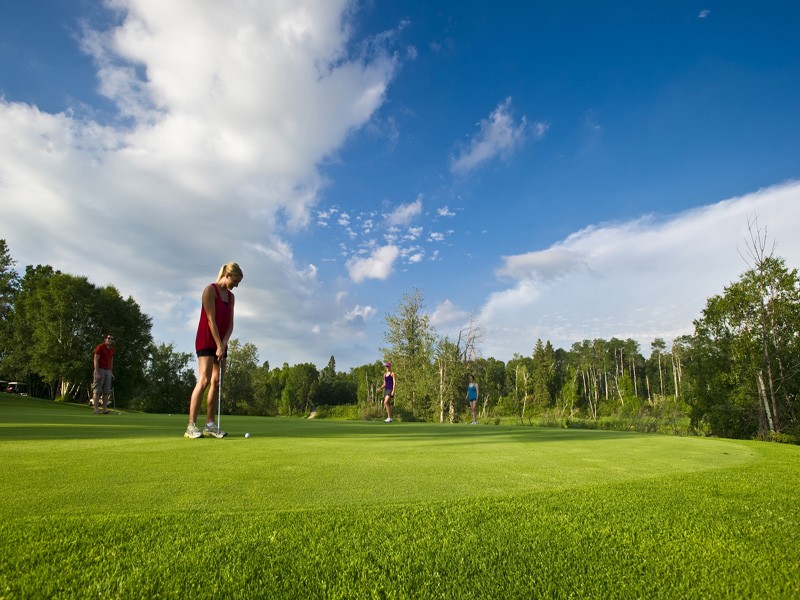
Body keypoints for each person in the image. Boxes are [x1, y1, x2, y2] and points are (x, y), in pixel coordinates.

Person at [184, 262, 243, 439]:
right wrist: (218, 343)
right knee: (203, 380)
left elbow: (230, 323)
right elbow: (211, 320)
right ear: (227, 274)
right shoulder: (210, 290)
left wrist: (224, 343)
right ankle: (191, 426)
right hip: (206, 338)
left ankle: (210, 424)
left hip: (221, 342)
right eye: (235, 280)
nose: (236, 285)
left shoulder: (231, 297)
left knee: (217, 382)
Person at [92, 334, 115, 414]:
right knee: (97, 390)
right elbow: (96, 360)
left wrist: (111, 372)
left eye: (111, 339)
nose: (110, 340)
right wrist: (97, 372)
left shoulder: (112, 349)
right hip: (100, 369)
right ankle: (96, 409)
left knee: (106, 391)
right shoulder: (100, 347)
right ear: (105, 339)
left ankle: (105, 409)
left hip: (108, 371)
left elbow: (111, 361)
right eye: (108, 338)